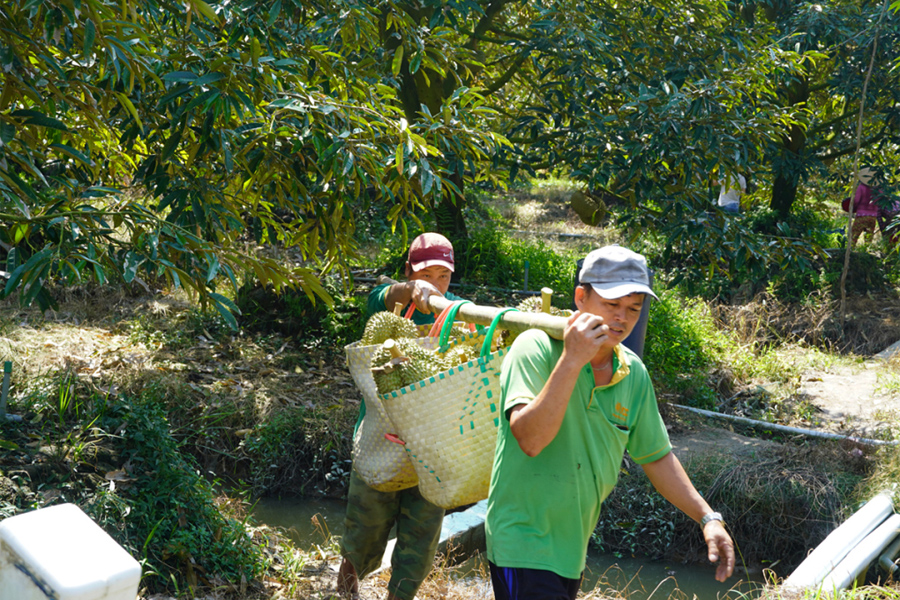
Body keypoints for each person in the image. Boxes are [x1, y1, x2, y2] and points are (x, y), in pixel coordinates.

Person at [484, 245, 735, 600]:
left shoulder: (631, 372)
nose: (622, 318)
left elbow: (656, 456)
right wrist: (572, 360)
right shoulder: (535, 348)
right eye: (612, 305)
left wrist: (708, 518)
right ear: (581, 297)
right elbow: (530, 439)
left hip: (571, 548)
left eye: (633, 309)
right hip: (522, 539)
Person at [338, 232, 464, 600]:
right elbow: (384, 295)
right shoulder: (388, 305)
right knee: (361, 533)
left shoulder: (454, 310)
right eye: (428, 274)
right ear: (409, 270)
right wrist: (409, 291)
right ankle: (345, 594)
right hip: (381, 441)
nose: (437, 284)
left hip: (430, 447)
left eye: (444, 276)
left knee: (418, 547)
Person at [850, 168, 880, 247]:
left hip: (861, 215)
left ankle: (851, 251)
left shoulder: (861, 187)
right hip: (873, 216)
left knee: (854, 236)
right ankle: (866, 252)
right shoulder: (878, 189)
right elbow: (881, 200)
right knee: (868, 237)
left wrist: (853, 207)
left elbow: (856, 200)